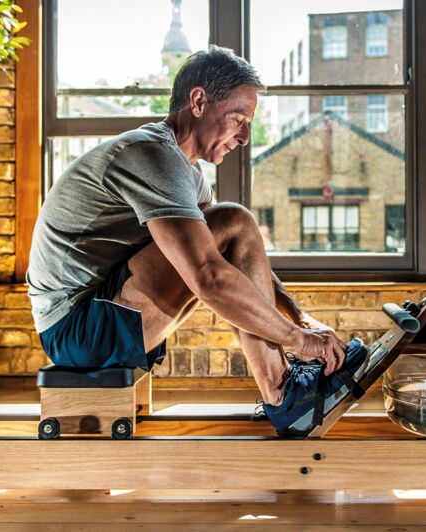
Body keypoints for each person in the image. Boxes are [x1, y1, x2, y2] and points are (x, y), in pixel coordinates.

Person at [26, 46, 368, 436]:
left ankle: (285, 384)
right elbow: (209, 276)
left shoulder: (184, 172)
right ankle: (286, 396)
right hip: (77, 329)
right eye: (237, 119)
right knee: (234, 220)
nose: (244, 137)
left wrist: (299, 317)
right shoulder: (153, 156)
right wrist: (299, 340)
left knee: (231, 223)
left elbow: (237, 253)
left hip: (97, 315)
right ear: (199, 101)